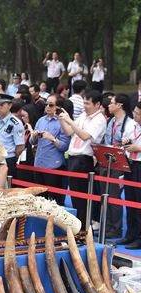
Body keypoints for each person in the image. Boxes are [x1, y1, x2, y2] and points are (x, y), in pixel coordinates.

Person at [60, 90, 107, 229]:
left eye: (88, 103)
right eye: (84, 102)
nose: (85, 106)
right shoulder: (83, 115)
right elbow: (69, 132)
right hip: (73, 156)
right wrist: (62, 120)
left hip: (84, 159)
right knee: (75, 196)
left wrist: (69, 120)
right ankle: (77, 227)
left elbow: (85, 136)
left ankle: (83, 228)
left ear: (97, 104)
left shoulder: (99, 119)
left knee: (82, 197)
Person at [101, 94, 134, 239]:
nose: (109, 105)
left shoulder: (130, 124)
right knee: (105, 195)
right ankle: (107, 225)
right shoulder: (111, 121)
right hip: (106, 161)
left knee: (114, 196)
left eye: (111, 103)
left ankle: (116, 228)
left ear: (119, 105)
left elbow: (129, 145)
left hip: (120, 163)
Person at [32, 95, 70, 206]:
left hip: (54, 165)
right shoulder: (40, 120)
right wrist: (34, 136)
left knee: (54, 201)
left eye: (51, 105)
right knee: (40, 199)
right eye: (46, 104)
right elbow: (32, 142)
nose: (47, 107)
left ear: (57, 107)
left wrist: (52, 139)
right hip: (39, 163)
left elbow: (64, 146)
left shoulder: (62, 122)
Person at [0, 94, 25, 178]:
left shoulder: (16, 123)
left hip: (8, 158)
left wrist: (12, 158)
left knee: (7, 187)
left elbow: (20, 146)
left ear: (10, 105)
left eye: (2, 105)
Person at [119, 104, 141, 248]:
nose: (135, 115)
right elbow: (126, 137)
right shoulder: (133, 124)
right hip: (130, 163)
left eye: (138, 114)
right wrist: (126, 141)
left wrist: (138, 148)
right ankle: (130, 234)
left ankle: (139, 237)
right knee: (130, 200)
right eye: (134, 112)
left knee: (139, 203)